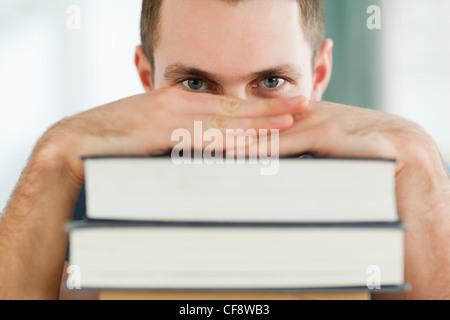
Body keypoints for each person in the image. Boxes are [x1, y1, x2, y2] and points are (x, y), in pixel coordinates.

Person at [0, 0, 449, 300]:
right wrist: (53, 156)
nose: (232, 129)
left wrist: (423, 161)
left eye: (271, 82)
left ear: (320, 72)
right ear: (145, 77)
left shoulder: (395, 189)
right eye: (195, 85)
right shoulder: (90, 191)